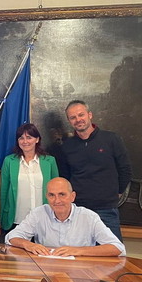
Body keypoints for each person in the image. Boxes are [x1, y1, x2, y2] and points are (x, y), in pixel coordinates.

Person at [59, 100, 132, 240]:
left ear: (90, 115)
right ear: (69, 121)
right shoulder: (67, 146)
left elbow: (125, 170)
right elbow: (65, 177)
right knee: (79, 251)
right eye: (73, 117)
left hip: (106, 209)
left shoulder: (111, 139)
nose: (78, 120)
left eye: (81, 115)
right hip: (78, 210)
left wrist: (116, 192)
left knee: (112, 250)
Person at [5, 177, 126, 257]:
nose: (57, 200)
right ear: (47, 197)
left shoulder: (89, 217)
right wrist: (29, 245)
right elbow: (11, 237)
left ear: (72, 196)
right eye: (52, 195)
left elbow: (117, 248)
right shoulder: (38, 213)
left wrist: (78, 250)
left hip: (80, 275)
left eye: (62, 194)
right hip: (47, 270)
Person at [0, 123, 59, 233]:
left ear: (37, 139)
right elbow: (3, 191)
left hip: (44, 221)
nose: (25, 141)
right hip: (16, 220)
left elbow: (57, 191)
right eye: (21, 138)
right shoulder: (9, 161)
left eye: (29, 137)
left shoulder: (49, 161)